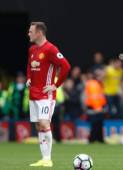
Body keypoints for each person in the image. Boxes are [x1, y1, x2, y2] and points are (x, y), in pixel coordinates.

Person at [27, 22, 71, 167]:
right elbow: (29, 65)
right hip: (33, 93)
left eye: (31, 31)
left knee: (45, 122)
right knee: (39, 125)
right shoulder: (32, 49)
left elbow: (65, 66)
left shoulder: (51, 49)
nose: (29, 34)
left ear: (39, 33)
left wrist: (55, 85)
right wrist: (28, 78)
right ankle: (43, 158)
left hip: (46, 95)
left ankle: (48, 159)